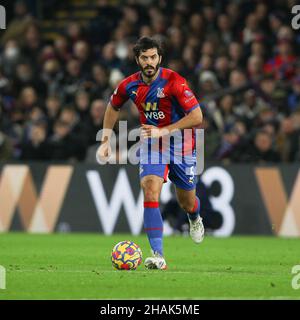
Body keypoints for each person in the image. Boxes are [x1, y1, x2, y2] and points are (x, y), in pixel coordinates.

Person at [97, 37, 204, 270]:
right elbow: (113, 106)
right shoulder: (129, 85)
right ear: (137, 59)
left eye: (153, 57)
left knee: (187, 203)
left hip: (182, 145)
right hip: (153, 145)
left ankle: (195, 217)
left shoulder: (174, 81)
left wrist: (163, 130)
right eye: (144, 57)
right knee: (150, 189)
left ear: (160, 58)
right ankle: (158, 255)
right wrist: (106, 140)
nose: (149, 61)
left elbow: (197, 117)